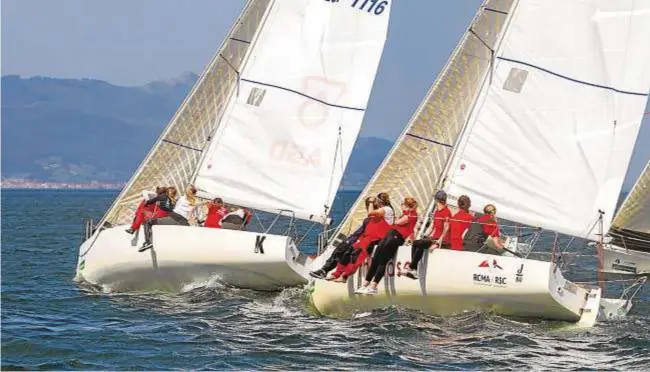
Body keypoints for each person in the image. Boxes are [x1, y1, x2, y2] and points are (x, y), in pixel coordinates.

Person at [355, 197, 418, 295]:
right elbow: (410, 230)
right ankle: (365, 284)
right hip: (390, 234)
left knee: (382, 260)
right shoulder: (406, 214)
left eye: (403, 204)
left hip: (396, 237)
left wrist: (395, 218)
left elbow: (397, 222)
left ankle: (373, 286)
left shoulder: (411, 215)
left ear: (407, 206)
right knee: (375, 258)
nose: (401, 205)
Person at [327, 192, 395, 282]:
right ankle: (337, 273)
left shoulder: (387, 209)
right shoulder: (382, 210)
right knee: (349, 251)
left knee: (357, 254)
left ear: (379, 201)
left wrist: (371, 202)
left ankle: (345, 276)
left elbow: (370, 213)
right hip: (368, 237)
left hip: (376, 238)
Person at [140, 184, 202, 252]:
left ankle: (147, 243)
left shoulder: (181, 198)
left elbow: (145, 192)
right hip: (183, 222)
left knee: (148, 222)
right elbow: (197, 218)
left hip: (173, 218)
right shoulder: (197, 202)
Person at [406, 190, 451, 279]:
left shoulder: (446, 212)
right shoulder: (437, 212)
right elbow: (432, 226)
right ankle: (414, 269)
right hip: (434, 238)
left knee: (421, 243)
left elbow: (446, 229)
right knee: (416, 243)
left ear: (436, 200)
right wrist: (424, 235)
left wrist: (438, 243)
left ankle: (412, 267)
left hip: (442, 240)